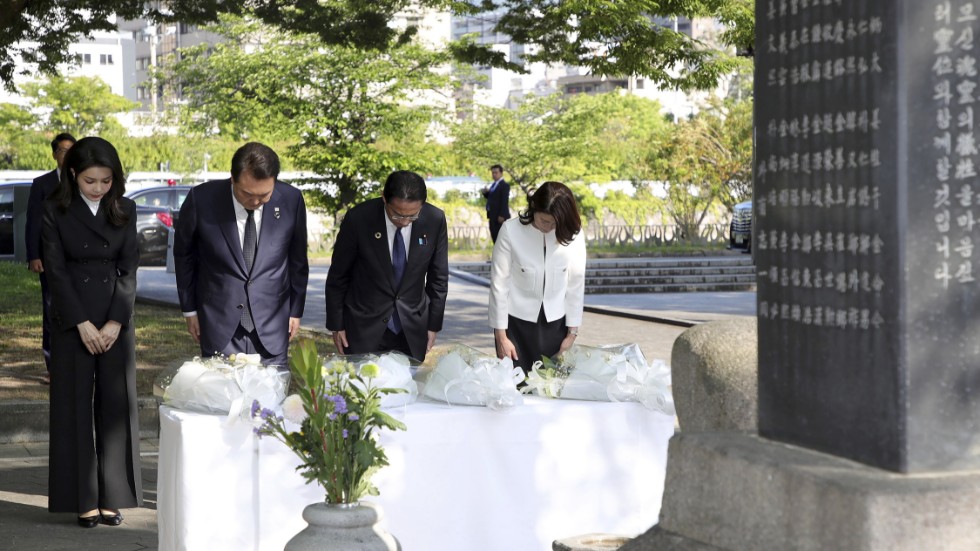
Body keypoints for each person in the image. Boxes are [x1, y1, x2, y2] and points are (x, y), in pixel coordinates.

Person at [41, 136, 142, 527]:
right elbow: (56, 270)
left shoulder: (125, 209)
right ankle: (81, 497)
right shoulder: (55, 209)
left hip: (116, 318)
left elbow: (129, 268)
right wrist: (81, 323)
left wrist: (116, 321)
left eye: (106, 181)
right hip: (72, 319)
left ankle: (113, 496)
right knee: (73, 407)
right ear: (73, 175)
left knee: (116, 408)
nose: (99, 188)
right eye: (90, 181)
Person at [174, 142, 309, 367]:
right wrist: (190, 310)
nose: (255, 202)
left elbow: (297, 260)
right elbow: (184, 256)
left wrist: (295, 311)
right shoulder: (202, 199)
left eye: (264, 195)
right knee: (222, 398)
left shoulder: (291, 200)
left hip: (272, 322)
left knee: (270, 398)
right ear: (232, 179)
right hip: (219, 321)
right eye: (247, 194)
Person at [325, 170, 449, 361]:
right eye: (398, 215)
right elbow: (338, 275)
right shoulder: (359, 219)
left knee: (409, 387)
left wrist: (433, 325)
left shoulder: (434, 220)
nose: (405, 222)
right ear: (384, 199)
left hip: (412, 327)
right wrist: (337, 324)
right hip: (363, 326)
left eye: (412, 216)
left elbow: (438, 278)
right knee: (364, 387)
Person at [489, 181, 587, 374]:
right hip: (515, 325)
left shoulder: (573, 233)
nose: (549, 227)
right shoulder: (511, 230)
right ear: (534, 208)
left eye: (554, 223)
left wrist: (572, 334)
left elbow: (576, 283)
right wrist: (501, 336)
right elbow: (499, 285)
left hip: (557, 325)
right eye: (544, 221)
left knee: (552, 388)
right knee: (516, 385)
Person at [25, 132, 77, 384]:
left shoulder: (85, 181)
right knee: (51, 310)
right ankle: (53, 366)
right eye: (63, 150)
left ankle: (78, 363)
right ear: (55, 154)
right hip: (49, 259)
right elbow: (33, 221)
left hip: (79, 260)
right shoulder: (42, 184)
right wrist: (34, 255)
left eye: (71, 150)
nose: (67, 155)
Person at [482, 164, 511, 243]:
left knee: (500, 237)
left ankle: (501, 254)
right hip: (492, 214)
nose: (494, 175)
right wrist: (486, 193)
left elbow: (504, 201)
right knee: (494, 235)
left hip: (499, 216)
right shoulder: (494, 185)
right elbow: (493, 198)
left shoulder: (504, 185)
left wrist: (502, 215)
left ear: (501, 173)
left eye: (496, 172)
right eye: (493, 173)